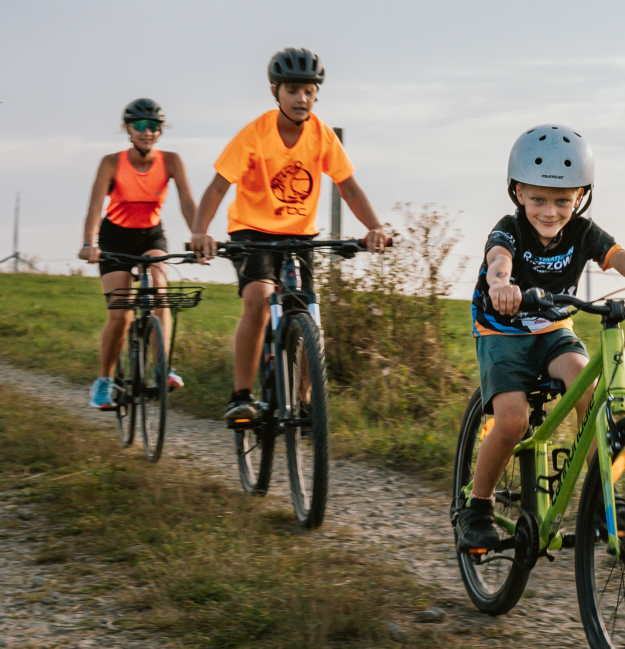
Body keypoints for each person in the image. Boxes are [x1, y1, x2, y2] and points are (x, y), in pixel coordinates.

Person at [456, 122, 625, 554]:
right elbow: (498, 258)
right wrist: (501, 285)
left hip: (555, 331)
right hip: (503, 333)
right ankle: (477, 507)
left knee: (590, 390)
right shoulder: (510, 229)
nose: (550, 211)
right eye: (537, 198)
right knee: (512, 420)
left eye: (563, 200)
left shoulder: (583, 234)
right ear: (518, 193)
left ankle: (602, 498)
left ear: (581, 197)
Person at [189, 47, 393, 425]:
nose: (302, 99)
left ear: (317, 94)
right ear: (275, 91)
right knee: (259, 298)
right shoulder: (255, 134)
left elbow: (348, 187)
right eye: (293, 90)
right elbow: (218, 188)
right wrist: (200, 231)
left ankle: (303, 400)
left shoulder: (321, 135)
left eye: (309, 91)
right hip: (252, 231)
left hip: (299, 236)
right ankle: (241, 395)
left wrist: (374, 227)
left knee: (305, 313)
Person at [78, 98, 198, 408]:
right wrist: (90, 244)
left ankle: (161, 368)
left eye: (154, 127)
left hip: (150, 234)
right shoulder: (111, 163)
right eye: (140, 126)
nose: (147, 132)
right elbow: (94, 207)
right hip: (115, 237)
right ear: (128, 129)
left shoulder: (171, 161)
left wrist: (198, 235)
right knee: (121, 314)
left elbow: (187, 201)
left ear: (160, 131)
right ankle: (103, 381)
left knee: (160, 292)